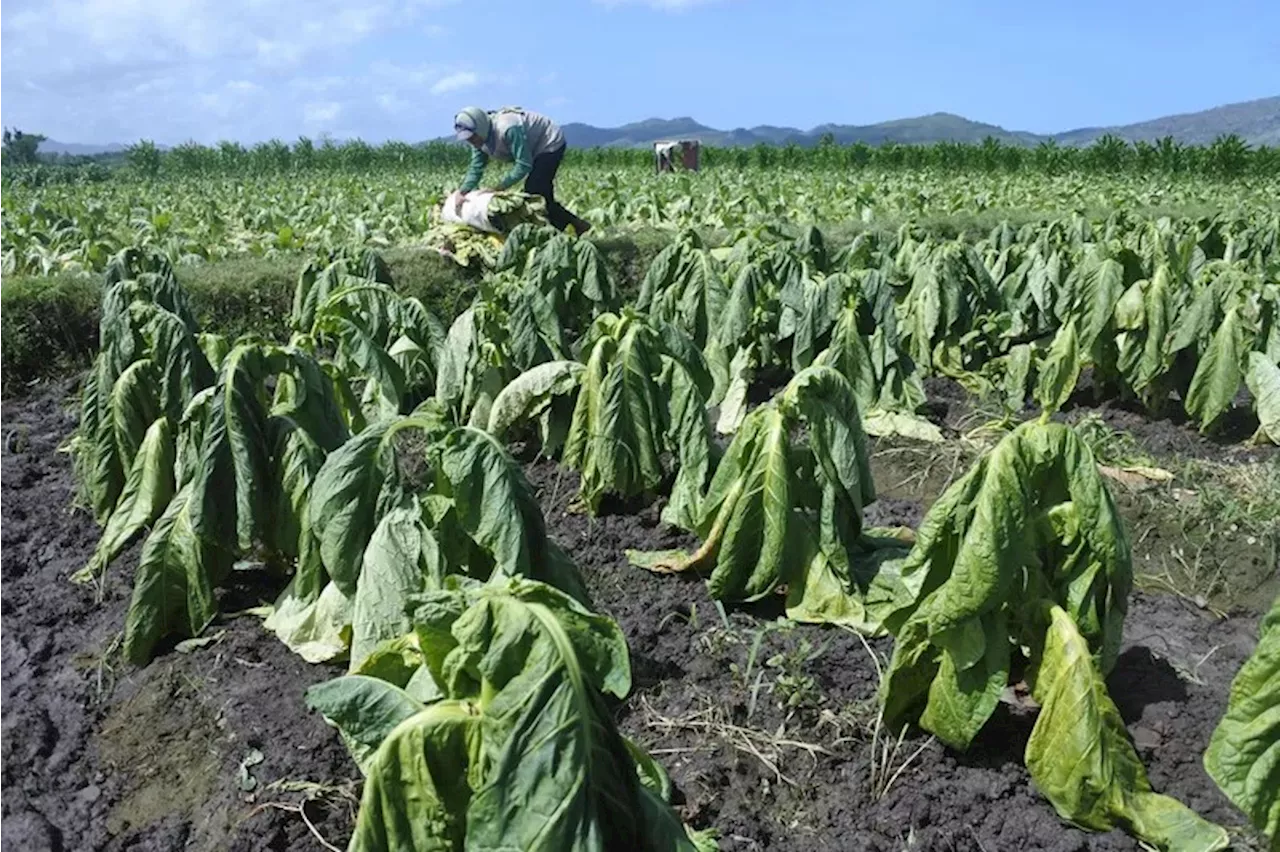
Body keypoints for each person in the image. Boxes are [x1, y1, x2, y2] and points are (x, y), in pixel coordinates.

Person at [452, 106, 590, 235]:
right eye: (467, 139)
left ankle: (577, 228)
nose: (471, 141)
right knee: (539, 197)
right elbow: (477, 166)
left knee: (537, 193)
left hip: (548, 142)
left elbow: (524, 164)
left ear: (480, 127)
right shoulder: (478, 140)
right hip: (532, 148)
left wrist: (498, 188)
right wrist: (463, 191)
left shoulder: (507, 127)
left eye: (472, 137)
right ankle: (571, 229)